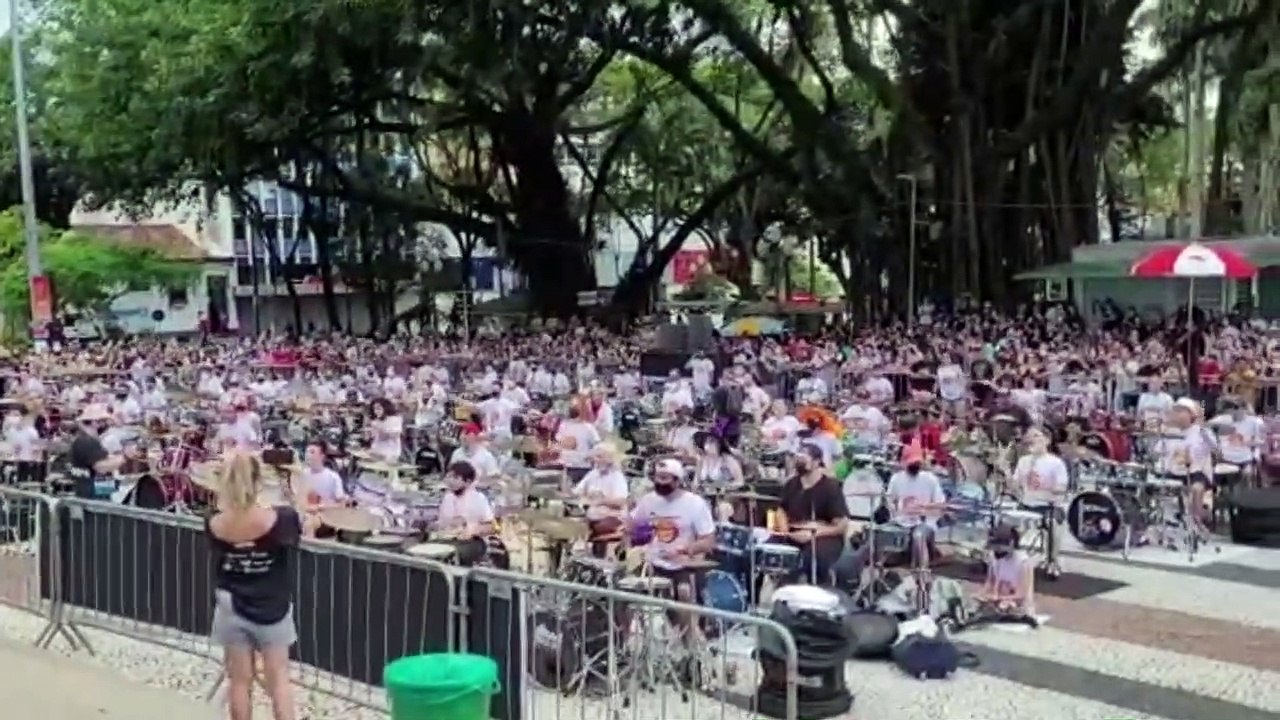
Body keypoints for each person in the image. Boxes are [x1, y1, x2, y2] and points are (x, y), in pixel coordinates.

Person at [207, 452, 299, 720]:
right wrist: (297, 485)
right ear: (259, 481)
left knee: (239, 681)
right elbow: (302, 525)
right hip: (272, 605)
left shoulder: (214, 522)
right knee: (279, 681)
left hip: (231, 604)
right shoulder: (279, 518)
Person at [835, 445, 945, 589]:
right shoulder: (896, 478)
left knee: (918, 536)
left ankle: (921, 574)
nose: (915, 465)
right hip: (900, 521)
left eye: (917, 462)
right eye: (912, 463)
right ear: (904, 462)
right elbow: (889, 500)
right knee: (876, 534)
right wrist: (895, 511)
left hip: (924, 522)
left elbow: (941, 504)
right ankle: (870, 574)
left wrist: (923, 509)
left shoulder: (930, 479)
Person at [628, 459, 715, 637]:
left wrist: (685, 550)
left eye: (665, 478)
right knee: (625, 592)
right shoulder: (649, 500)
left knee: (683, 594)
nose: (660, 482)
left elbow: (708, 542)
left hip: (683, 566)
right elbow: (632, 525)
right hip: (653, 564)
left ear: (677, 480)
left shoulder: (695, 504)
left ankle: (689, 641)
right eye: (657, 478)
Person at [772, 443, 849, 585]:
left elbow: (842, 525)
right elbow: (781, 509)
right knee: (766, 549)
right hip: (793, 532)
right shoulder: (792, 484)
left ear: (817, 462)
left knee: (813, 557)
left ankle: (818, 587)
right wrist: (784, 530)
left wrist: (813, 534)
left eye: (803, 458)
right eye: (798, 458)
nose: (799, 461)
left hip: (823, 536)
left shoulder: (830, 487)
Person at [1009, 427, 1069, 574]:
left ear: (1047, 440)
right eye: (1030, 436)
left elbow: (1061, 488)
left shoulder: (1056, 463)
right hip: (1026, 504)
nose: (1032, 439)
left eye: (1036, 436)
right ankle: (1009, 557)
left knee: (1054, 525)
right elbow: (1014, 487)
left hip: (1048, 506)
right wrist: (1005, 471)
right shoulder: (1023, 461)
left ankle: (1052, 560)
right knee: (1007, 522)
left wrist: (1047, 486)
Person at [436, 461, 498, 567]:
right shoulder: (447, 498)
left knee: (453, 555)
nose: (450, 481)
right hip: (449, 538)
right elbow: (442, 524)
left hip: (474, 541)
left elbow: (491, 527)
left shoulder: (478, 499)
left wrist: (473, 530)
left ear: (468, 482)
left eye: (455, 478)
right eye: (449, 477)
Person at [573, 442, 629, 556]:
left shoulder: (617, 477)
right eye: (595, 457)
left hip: (611, 517)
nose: (596, 460)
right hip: (591, 515)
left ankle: (597, 556)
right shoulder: (592, 474)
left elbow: (620, 501)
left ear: (610, 459)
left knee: (592, 527)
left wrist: (600, 501)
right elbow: (577, 492)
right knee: (569, 524)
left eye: (600, 457)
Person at [975, 523, 1038, 624]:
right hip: (998, 606)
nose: (997, 550)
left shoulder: (1023, 562)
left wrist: (997, 598)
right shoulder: (994, 558)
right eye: (995, 547)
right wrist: (982, 594)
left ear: (1011, 543)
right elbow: (990, 582)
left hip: (1020, 611)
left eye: (999, 547)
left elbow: (1021, 594)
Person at [68, 405, 125, 499]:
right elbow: (101, 467)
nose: (107, 424)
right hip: (92, 494)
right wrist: (124, 458)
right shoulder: (86, 441)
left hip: (96, 489)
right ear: (95, 423)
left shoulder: (86, 440)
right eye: (104, 421)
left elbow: (100, 459)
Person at [368, 398, 404, 462]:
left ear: (385, 408)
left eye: (378, 408)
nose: (376, 411)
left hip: (390, 452)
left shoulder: (395, 419)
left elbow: (396, 435)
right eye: (374, 409)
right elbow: (374, 437)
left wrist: (380, 428)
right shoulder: (375, 421)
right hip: (376, 450)